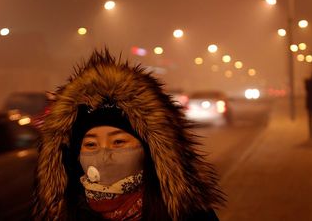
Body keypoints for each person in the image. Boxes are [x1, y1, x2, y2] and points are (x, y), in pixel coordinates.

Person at [33, 49, 225, 221]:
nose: (104, 156)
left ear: (149, 150)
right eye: (91, 145)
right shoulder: (65, 213)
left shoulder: (186, 213)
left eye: (118, 142)